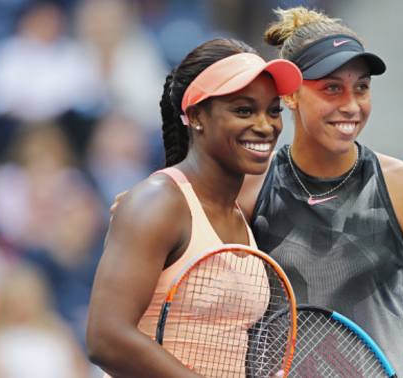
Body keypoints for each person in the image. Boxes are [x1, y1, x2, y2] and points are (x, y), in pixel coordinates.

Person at [110, 7, 403, 378]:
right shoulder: (245, 192)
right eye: (331, 88)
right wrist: (143, 208)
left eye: (362, 88)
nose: (351, 106)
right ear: (290, 97)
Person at [86, 38, 302, 378]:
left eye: (273, 110)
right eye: (244, 110)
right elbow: (106, 339)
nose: (265, 125)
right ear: (197, 116)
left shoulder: (241, 216)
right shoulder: (158, 202)